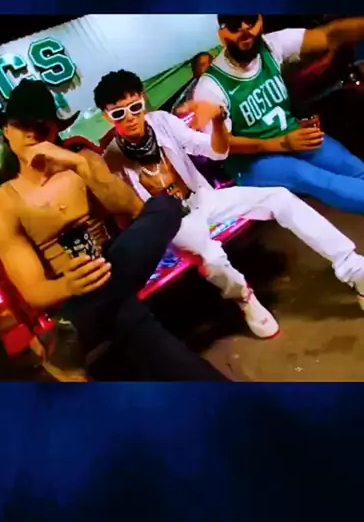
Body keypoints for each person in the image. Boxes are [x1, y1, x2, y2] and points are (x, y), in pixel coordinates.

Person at [0, 79, 228, 382]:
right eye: (22, 124)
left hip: (114, 265)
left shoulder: (83, 161)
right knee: (131, 320)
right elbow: (34, 291)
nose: (32, 132)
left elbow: (136, 211)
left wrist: (81, 167)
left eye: (40, 123)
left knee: (166, 206)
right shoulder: (3, 207)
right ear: (6, 131)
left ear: (55, 129)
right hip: (75, 290)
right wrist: (68, 287)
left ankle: (71, 334)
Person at [93, 69, 364, 339]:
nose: (130, 118)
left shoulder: (162, 122)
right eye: (119, 114)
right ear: (107, 116)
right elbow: (126, 216)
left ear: (143, 100)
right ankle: (244, 298)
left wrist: (219, 119)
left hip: (202, 198)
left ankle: (354, 269)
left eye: (135, 107)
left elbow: (216, 151)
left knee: (279, 197)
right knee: (212, 257)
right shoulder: (111, 159)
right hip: (173, 222)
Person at [192, 14, 364, 214]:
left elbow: (329, 35)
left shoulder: (272, 45)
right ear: (222, 34)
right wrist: (280, 143)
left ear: (260, 21)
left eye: (250, 21)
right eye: (234, 26)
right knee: (312, 178)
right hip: (252, 163)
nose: (244, 30)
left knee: (352, 166)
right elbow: (221, 147)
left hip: (293, 136)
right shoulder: (210, 87)